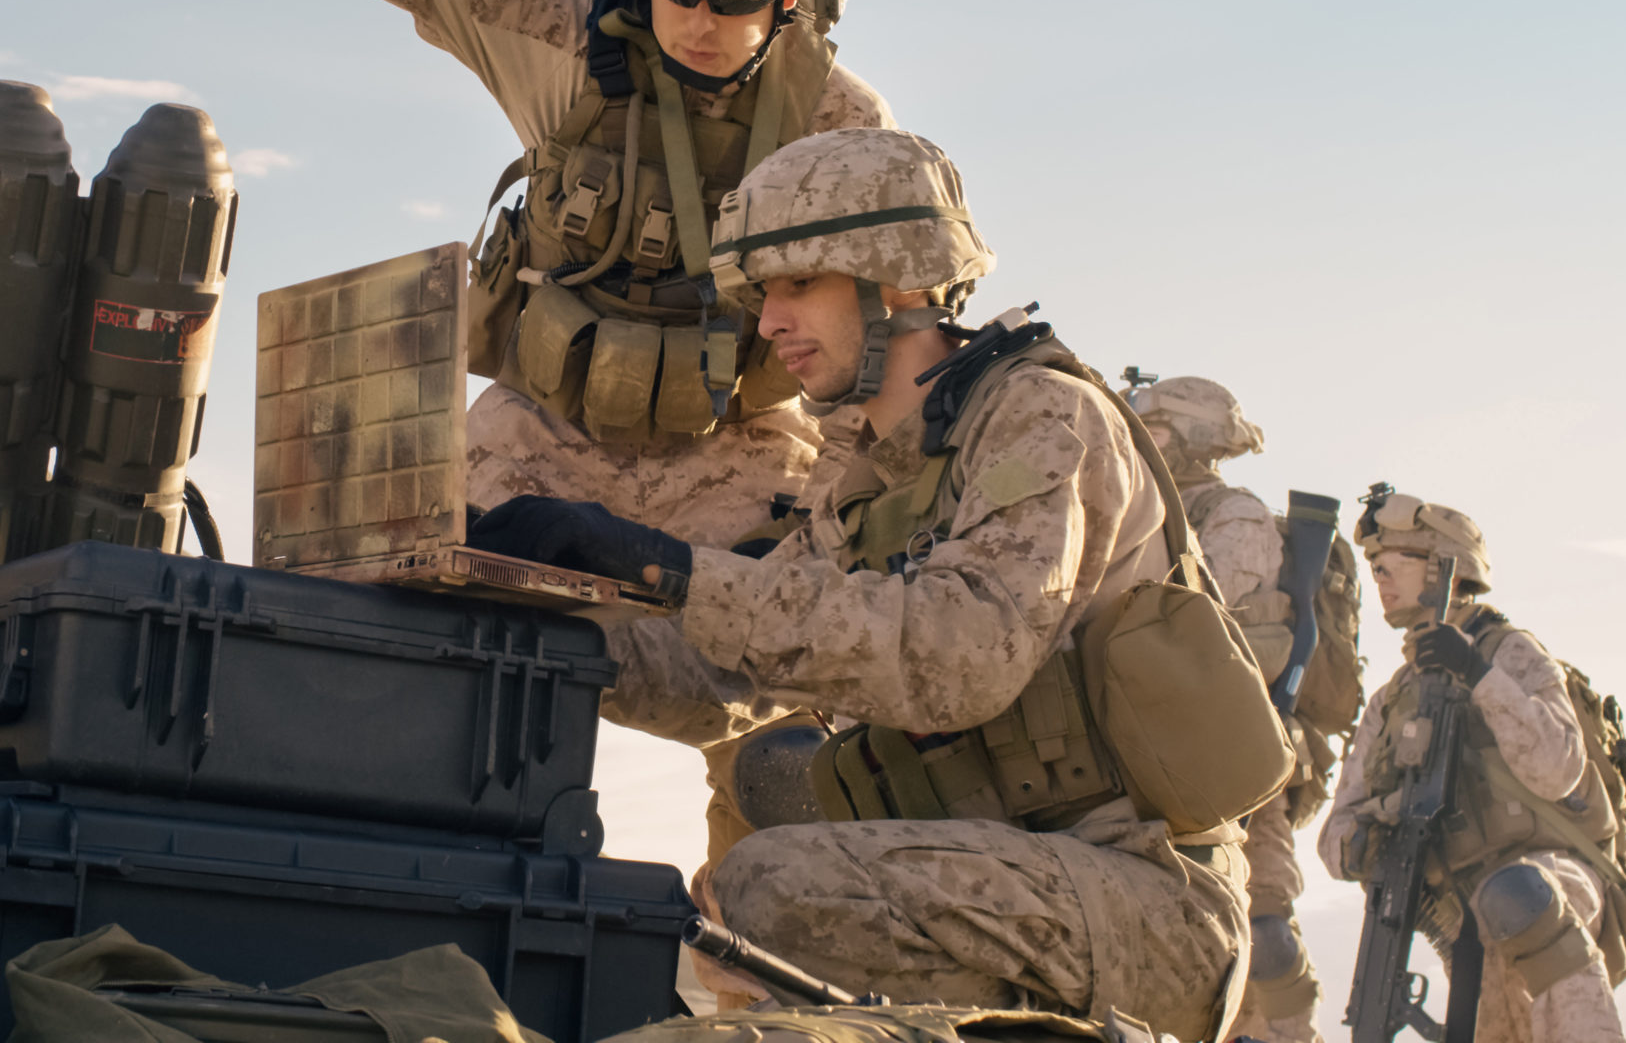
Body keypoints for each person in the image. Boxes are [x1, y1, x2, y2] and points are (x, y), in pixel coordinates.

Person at [86, 0, 896, 977]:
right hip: (543, 429)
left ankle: (753, 982)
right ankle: (362, 934)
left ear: (790, 3)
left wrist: (847, 530)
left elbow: (888, 363)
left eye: (732, 4)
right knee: (370, 627)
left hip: (732, 450)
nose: (697, 19)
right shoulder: (564, 27)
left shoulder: (846, 133)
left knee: (793, 716)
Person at [468, 127, 1273, 1040]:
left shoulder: (1043, 415)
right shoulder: (864, 479)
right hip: (1020, 875)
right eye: (761, 293)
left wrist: (671, 565)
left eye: (797, 285)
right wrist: (542, 612)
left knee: (770, 886)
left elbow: (960, 656)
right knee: (730, 897)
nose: (767, 323)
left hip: (1143, 898)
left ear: (896, 278)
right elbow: (722, 687)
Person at [1321, 493, 1626, 1043]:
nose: (1380, 579)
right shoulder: (1391, 700)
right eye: (1374, 568)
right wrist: (1387, 821)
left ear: (1443, 566)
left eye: (1392, 562)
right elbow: (1335, 843)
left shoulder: (1510, 653)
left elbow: (1557, 768)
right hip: (1463, 918)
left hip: (1553, 883)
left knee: (1516, 894)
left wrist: (1475, 672)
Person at [1128, 376, 1355, 1043]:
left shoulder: (1235, 516)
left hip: (1239, 759)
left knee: (1263, 931)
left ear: (1195, 439)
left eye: (1158, 428)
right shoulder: (1146, 508)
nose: (1144, 439)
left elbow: (1207, 626)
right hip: (1158, 755)